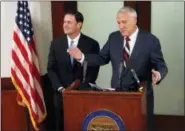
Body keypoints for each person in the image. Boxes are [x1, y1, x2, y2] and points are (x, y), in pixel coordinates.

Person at [67, 6, 168, 131]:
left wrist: (158, 74)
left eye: (124, 22)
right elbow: (101, 58)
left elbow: (161, 65)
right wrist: (82, 57)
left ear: (135, 20)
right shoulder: (114, 38)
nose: (121, 26)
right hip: (118, 94)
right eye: (118, 22)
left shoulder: (150, 40)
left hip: (141, 97)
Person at [47, 10, 100, 131]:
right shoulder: (56, 44)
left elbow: (94, 69)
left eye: (69, 22)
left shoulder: (92, 44)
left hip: (83, 94)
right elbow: (51, 68)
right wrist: (60, 88)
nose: (65, 25)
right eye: (64, 22)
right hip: (61, 95)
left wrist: (80, 88)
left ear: (79, 25)